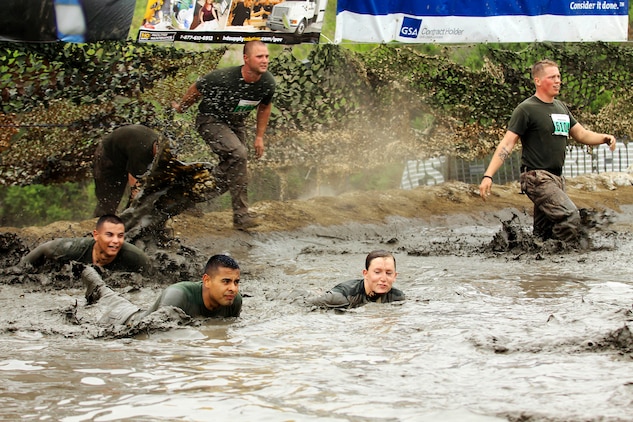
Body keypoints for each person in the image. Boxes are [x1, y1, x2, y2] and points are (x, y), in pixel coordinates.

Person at [479, 59, 617, 243]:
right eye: (552, 77)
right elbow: (507, 143)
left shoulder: (561, 107)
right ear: (538, 80)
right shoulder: (526, 109)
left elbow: (582, 134)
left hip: (557, 179)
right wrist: (488, 175)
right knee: (569, 217)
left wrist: (604, 138)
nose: (557, 81)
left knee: (543, 235)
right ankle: (561, 254)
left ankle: (539, 262)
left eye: (559, 76)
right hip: (537, 178)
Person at [171, 40, 276, 230]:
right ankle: (241, 216)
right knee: (238, 155)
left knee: (236, 173)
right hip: (210, 120)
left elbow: (265, 106)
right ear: (246, 58)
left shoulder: (267, 82)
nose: (265, 60)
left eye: (267, 56)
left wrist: (259, 137)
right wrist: (181, 108)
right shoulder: (223, 78)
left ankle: (187, 194)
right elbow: (196, 88)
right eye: (259, 56)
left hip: (236, 124)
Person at [80, 254, 242, 325]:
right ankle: (85, 270)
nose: (232, 289)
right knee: (105, 294)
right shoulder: (178, 295)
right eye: (226, 281)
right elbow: (153, 333)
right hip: (123, 319)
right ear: (207, 281)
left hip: (137, 311)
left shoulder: (234, 301)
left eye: (236, 282)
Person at [21, 214, 151, 274]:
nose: (116, 241)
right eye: (109, 235)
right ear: (96, 235)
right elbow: (45, 248)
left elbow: (154, 278)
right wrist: (21, 268)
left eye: (120, 236)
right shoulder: (72, 249)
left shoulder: (134, 257)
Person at [93, 124, 160, 217]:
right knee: (108, 201)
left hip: (124, 157)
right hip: (108, 155)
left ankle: (125, 221)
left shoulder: (159, 146)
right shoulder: (142, 150)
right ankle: (102, 224)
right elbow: (134, 181)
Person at [309, 250, 405, 309]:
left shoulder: (397, 297)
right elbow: (302, 303)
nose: (383, 279)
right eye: (377, 272)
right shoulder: (342, 297)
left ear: (395, 276)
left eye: (388, 273)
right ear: (365, 274)